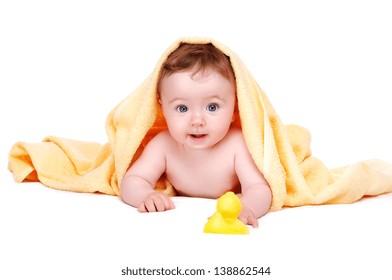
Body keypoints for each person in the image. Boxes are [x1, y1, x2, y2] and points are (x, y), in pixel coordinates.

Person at [120, 43, 272, 227]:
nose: (197, 120)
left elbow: (259, 188)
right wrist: (145, 195)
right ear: (162, 108)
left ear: (235, 108)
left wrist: (247, 206)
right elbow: (133, 180)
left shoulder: (237, 145)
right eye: (182, 108)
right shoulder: (163, 145)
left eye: (212, 107)